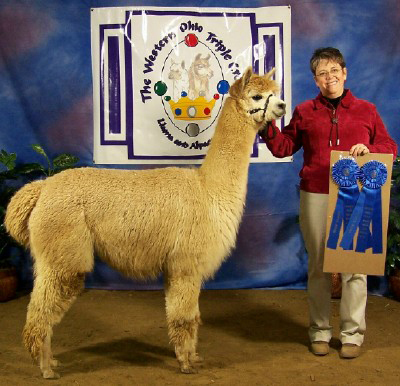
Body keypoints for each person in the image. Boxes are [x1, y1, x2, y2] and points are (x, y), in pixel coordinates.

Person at [259, 47, 398, 359]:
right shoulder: (305, 111)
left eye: (334, 71)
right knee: (318, 267)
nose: (329, 77)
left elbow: (389, 145)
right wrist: (266, 125)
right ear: (315, 80)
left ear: (345, 73)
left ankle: (352, 334)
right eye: (322, 73)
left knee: (354, 269)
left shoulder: (367, 110)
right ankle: (319, 331)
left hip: (356, 195)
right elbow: (283, 147)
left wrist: (370, 147)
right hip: (315, 194)